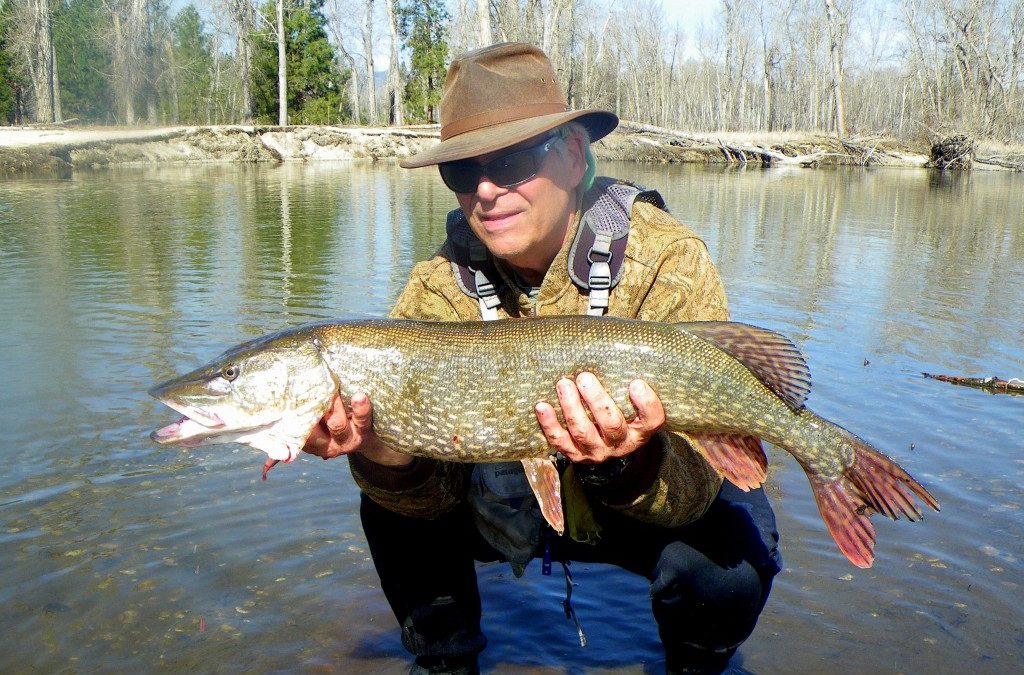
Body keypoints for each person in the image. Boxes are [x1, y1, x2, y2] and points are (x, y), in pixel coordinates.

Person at [303, 42, 781, 674]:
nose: (485, 189)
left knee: (730, 557)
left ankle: (695, 665)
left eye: (513, 160)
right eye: (461, 171)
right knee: (387, 503)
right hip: (510, 508)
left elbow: (694, 491)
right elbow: (428, 500)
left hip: (638, 506)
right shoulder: (436, 289)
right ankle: (446, 662)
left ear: (574, 154)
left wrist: (628, 464)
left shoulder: (665, 258)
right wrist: (386, 457)